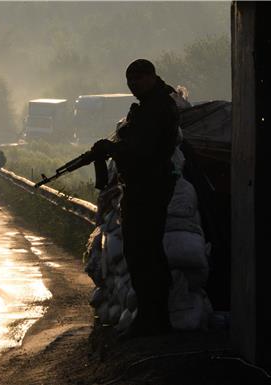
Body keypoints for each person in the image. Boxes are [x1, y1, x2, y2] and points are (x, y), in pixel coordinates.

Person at [91, 59, 179, 337]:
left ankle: (154, 320)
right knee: (140, 253)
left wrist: (113, 150)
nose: (133, 86)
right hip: (143, 186)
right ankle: (150, 318)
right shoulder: (149, 106)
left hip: (149, 187)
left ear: (152, 77)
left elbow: (143, 150)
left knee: (146, 253)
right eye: (130, 82)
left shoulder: (158, 107)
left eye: (138, 80)